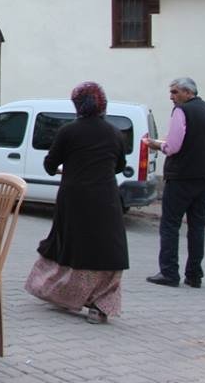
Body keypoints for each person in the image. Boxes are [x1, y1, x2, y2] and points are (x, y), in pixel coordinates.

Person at [24, 82, 129, 324]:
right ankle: (99, 306)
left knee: (70, 245)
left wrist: (69, 164)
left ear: (77, 105)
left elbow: (50, 165)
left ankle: (60, 293)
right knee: (105, 249)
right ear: (103, 103)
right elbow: (120, 166)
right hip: (106, 199)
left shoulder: (68, 131)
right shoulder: (114, 133)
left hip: (74, 198)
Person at [145, 77, 205, 288]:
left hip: (182, 177)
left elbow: (173, 146)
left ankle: (169, 273)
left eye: (175, 92)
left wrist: (156, 145)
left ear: (189, 93)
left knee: (170, 225)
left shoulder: (182, 111)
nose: (171, 97)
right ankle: (194, 275)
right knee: (197, 227)